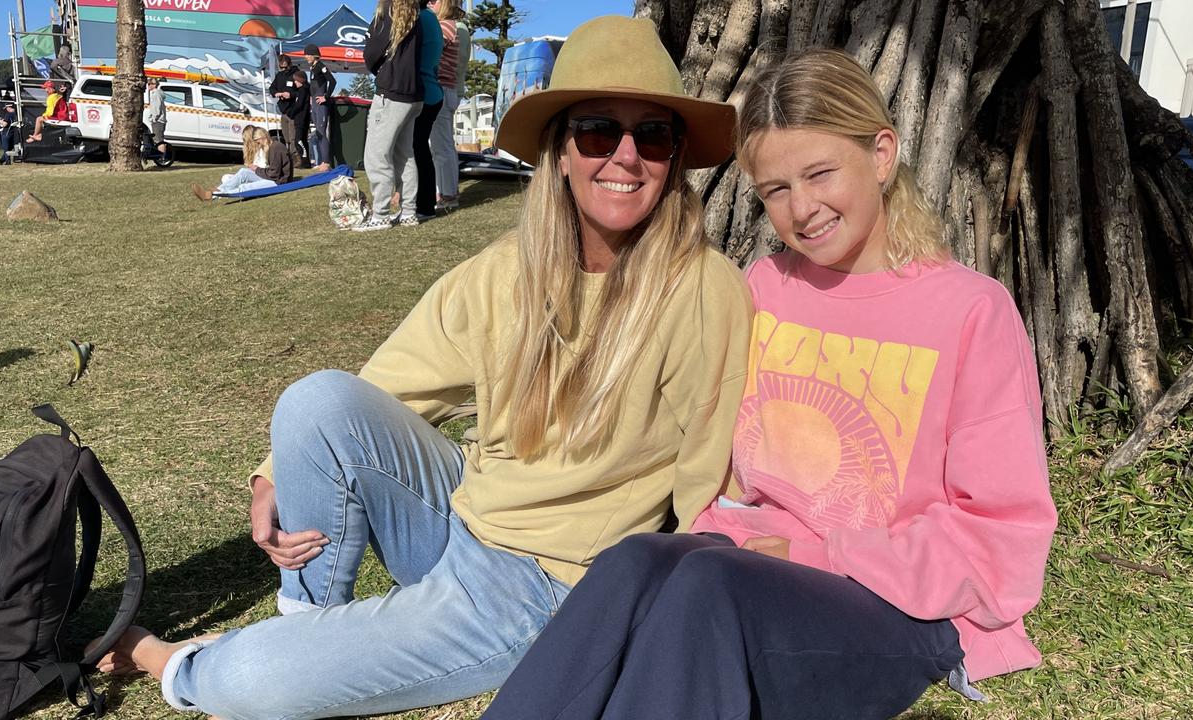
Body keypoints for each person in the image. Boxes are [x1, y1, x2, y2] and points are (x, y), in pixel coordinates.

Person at [95, 16, 750, 720]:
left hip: (549, 588)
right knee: (315, 401)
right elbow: (384, 384)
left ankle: (193, 661)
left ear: (675, 157)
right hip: (460, 516)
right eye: (597, 131)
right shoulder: (509, 269)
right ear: (561, 151)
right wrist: (271, 474)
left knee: (249, 680)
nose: (624, 157)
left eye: (652, 136)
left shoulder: (703, 290)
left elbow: (707, 486)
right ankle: (308, 624)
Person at [480, 48, 1059, 720]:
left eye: (820, 174)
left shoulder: (969, 311)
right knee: (634, 561)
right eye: (775, 191)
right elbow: (718, 458)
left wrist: (815, 552)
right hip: (748, 563)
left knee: (707, 586)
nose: (802, 208)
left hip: (891, 599)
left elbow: (1001, 537)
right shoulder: (765, 288)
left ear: (880, 154)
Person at [352, 0, 425, 231]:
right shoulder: (416, 17)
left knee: (376, 155)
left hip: (391, 93)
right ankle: (409, 212)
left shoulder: (387, 14)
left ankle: (381, 214)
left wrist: (379, 69)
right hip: (413, 94)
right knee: (405, 156)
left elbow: (371, 53)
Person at [429, 0, 467, 212]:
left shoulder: (445, 26)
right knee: (444, 146)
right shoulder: (452, 25)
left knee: (441, 147)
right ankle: (446, 192)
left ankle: (448, 195)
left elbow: (430, 52)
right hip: (448, 90)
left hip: (442, 90)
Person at [410, 0, 445, 221]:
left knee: (415, 150)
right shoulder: (431, 18)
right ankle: (424, 204)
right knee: (420, 149)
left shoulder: (419, 19)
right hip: (433, 92)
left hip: (422, 94)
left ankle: (421, 205)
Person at [191, 125, 292, 200]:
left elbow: (274, 174)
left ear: (262, 137)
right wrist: (256, 170)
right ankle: (215, 191)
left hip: (278, 182)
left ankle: (213, 196)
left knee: (246, 187)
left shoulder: (276, 148)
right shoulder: (271, 147)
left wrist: (257, 169)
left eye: (257, 141)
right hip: (271, 177)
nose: (258, 144)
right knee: (243, 172)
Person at [305, 43, 335, 172]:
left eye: (307, 55)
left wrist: (326, 97)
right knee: (318, 132)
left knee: (322, 133)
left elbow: (332, 81)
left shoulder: (321, 66)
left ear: (313, 55)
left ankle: (326, 162)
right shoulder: (313, 67)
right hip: (315, 105)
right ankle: (321, 161)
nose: (306, 57)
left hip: (321, 105)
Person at [269, 54, 303, 166]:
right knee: (286, 137)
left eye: (285, 66)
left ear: (289, 64)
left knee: (293, 138)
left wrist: (291, 94)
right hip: (283, 110)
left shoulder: (296, 74)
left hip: (293, 110)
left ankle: (296, 158)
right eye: (281, 66)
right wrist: (276, 93)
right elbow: (272, 88)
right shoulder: (279, 76)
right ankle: (288, 159)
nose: (283, 69)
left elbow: (302, 91)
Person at [284, 70, 311, 167]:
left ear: (301, 80)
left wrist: (291, 113)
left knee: (299, 140)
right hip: (300, 118)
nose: (295, 82)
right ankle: (305, 162)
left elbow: (299, 104)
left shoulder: (303, 90)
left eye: (296, 81)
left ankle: (304, 161)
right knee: (301, 140)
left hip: (301, 118)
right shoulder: (301, 91)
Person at [143, 76, 168, 159]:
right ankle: (161, 156)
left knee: (159, 140)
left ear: (155, 85)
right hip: (158, 120)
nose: (149, 85)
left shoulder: (156, 93)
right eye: (148, 84)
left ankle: (162, 157)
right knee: (158, 139)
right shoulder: (155, 93)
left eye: (151, 84)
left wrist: (154, 118)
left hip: (158, 120)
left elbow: (157, 107)